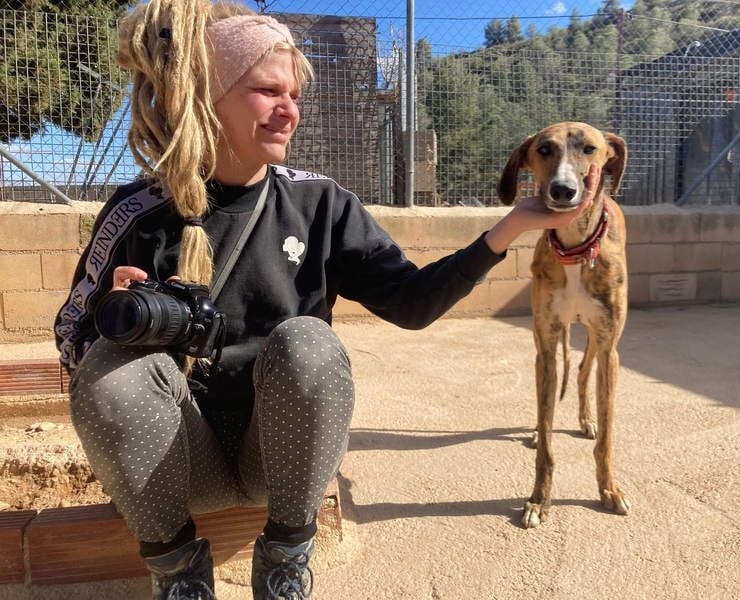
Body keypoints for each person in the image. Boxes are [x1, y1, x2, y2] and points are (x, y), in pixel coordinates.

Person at [53, 1, 599, 599]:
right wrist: (112, 322)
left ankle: (286, 559)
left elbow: (411, 303)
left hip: (280, 459)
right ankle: (179, 575)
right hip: (181, 460)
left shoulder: (322, 206)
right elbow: (71, 340)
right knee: (111, 369)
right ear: (208, 97)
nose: (290, 111)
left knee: (307, 340)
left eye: (295, 95)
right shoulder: (138, 212)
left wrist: (512, 226)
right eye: (267, 91)